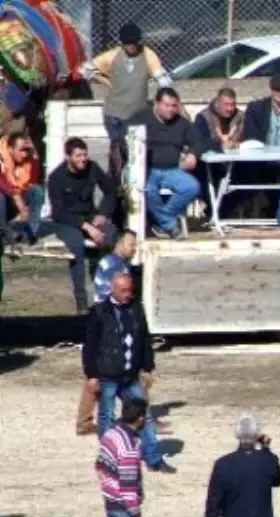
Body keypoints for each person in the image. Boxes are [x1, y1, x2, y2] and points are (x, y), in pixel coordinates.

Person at [83, 272, 171, 473]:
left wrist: (147, 368)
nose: (127, 294)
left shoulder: (135, 309)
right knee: (107, 417)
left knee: (144, 415)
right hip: (107, 374)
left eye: (129, 290)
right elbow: (90, 346)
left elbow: (145, 340)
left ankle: (154, 458)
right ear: (112, 289)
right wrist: (91, 375)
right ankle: (109, 457)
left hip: (130, 375)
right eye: (123, 290)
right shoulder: (99, 312)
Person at [79, 22, 173, 168]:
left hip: (136, 113)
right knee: (116, 147)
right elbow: (84, 70)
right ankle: (116, 183)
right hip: (113, 112)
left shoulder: (147, 55)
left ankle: (132, 183)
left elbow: (163, 80)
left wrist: (161, 101)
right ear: (121, 43)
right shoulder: (112, 56)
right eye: (127, 43)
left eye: (134, 43)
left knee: (135, 149)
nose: (131, 47)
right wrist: (104, 80)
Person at [73, 230, 139, 437]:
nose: (134, 248)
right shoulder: (111, 265)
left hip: (112, 321)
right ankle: (138, 417)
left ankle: (139, 416)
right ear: (119, 243)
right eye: (131, 244)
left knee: (118, 373)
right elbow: (107, 298)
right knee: (103, 374)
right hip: (106, 324)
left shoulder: (121, 264)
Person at [47, 137, 118, 314]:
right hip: (68, 221)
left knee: (112, 236)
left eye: (85, 155)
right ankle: (81, 299)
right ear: (68, 156)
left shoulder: (92, 168)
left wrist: (103, 213)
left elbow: (110, 191)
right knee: (76, 247)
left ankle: (108, 291)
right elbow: (58, 212)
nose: (83, 159)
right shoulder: (56, 177)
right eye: (78, 155)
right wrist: (85, 226)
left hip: (90, 215)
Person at [127, 88, 204, 240]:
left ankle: (162, 222)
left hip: (172, 169)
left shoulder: (181, 123)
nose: (170, 109)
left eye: (174, 106)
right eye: (166, 105)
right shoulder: (140, 118)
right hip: (148, 170)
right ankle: (169, 225)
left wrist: (193, 154)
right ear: (157, 103)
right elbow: (125, 138)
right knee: (147, 189)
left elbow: (199, 141)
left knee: (191, 186)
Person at [0, 131, 44, 246]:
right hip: (4, 201)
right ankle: (4, 233)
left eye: (26, 151)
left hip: (13, 203)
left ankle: (29, 233)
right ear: (10, 149)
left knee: (37, 191)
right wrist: (15, 195)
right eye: (21, 150)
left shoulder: (26, 160)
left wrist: (34, 156)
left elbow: (33, 179)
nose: (25, 154)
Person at [194, 87, 244, 152]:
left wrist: (235, 144)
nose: (230, 109)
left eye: (233, 104)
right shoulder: (203, 117)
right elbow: (199, 141)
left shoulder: (242, 117)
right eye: (226, 104)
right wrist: (220, 146)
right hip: (211, 159)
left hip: (238, 157)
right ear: (217, 103)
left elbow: (249, 139)